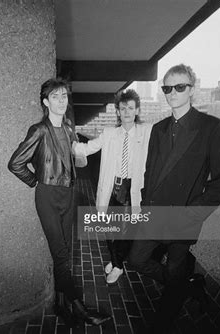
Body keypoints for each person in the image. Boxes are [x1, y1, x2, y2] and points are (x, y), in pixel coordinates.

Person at [128, 64, 220, 332]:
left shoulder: (211, 127)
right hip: (154, 212)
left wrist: (192, 214)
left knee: (175, 271)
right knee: (136, 260)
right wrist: (144, 202)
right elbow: (150, 171)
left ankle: (162, 320)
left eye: (179, 87)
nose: (172, 92)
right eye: (167, 88)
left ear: (192, 89)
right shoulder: (159, 128)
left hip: (184, 215)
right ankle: (186, 285)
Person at [8, 78, 111, 328]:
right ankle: (79, 307)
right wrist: (35, 182)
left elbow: (73, 158)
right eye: (55, 96)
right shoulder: (39, 130)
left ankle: (60, 304)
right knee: (62, 255)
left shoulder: (67, 128)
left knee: (65, 255)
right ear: (45, 102)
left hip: (69, 195)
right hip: (48, 196)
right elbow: (15, 163)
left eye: (64, 96)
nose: (61, 100)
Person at [73, 89, 152, 284]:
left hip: (132, 189)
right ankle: (117, 261)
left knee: (126, 230)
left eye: (130, 108)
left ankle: (117, 266)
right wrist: (66, 144)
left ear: (137, 110)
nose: (126, 112)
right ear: (117, 111)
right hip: (112, 187)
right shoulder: (109, 133)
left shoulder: (146, 132)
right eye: (122, 108)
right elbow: (88, 148)